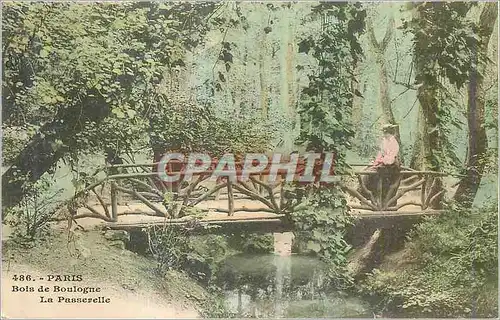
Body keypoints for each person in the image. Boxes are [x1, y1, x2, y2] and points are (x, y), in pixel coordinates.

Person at [360, 124, 401, 206]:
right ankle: (366, 196)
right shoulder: (384, 141)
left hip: (391, 166)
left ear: (390, 133)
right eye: (384, 133)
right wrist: (376, 162)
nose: (384, 135)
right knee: (369, 172)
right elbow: (380, 153)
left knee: (375, 174)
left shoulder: (394, 143)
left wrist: (382, 161)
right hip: (384, 165)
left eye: (386, 133)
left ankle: (377, 199)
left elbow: (391, 158)